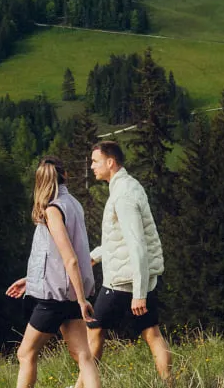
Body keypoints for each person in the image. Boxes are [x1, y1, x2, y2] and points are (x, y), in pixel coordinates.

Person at [79, 140, 171, 384]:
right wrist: (94, 257)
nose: (91, 166)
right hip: (138, 279)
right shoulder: (129, 187)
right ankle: (169, 382)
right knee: (151, 332)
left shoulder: (123, 195)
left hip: (123, 282)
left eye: (95, 161)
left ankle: (82, 385)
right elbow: (120, 239)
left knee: (94, 330)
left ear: (111, 162)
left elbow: (137, 244)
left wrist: (138, 294)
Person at [5, 157, 101, 388]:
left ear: (40, 181)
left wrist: (81, 300)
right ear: (64, 175)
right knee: (84, 356)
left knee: (25, 353)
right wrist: (30, 280)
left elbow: (70, 258)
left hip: (55, 298)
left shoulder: (53, 210)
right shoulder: (74, 204)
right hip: (69, 293)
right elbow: (59, 257)